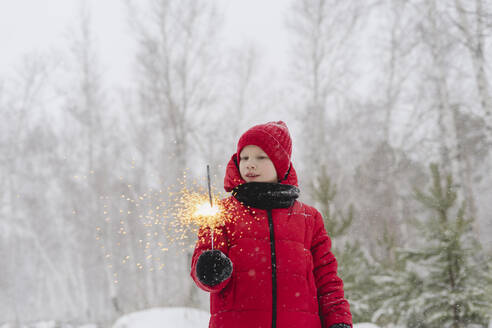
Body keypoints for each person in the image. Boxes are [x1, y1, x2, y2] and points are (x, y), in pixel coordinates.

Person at [190, 121, 352, 328]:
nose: (250, 164)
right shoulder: (221, 214)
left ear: (281, 163)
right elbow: (202, 270)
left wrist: (338, 322)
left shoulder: (309, 219)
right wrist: (208, 272)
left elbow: (327, 281)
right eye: (245, 157)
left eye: (261, 157)